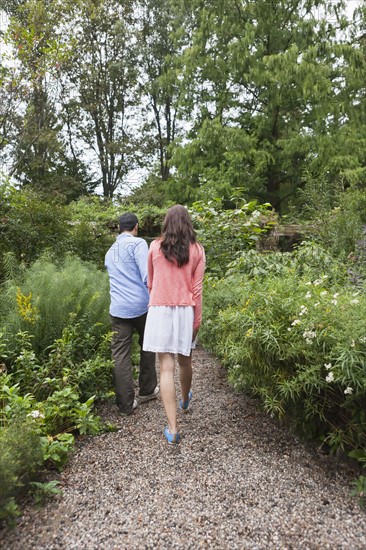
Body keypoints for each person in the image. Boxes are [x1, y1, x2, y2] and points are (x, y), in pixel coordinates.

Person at [143, 205, 206, 444]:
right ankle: (185, 399)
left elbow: (150, 282)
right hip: (184, 311)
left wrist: (159, 297)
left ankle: (172, 428)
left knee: (166, 367)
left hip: (160, 309)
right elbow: (197, 290)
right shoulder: (197, 250)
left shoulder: (155, 247)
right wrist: (196, 320)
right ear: (188, 223)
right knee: (186, 359)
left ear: (166, 223)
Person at [105, 212, 159, 415]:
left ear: (119, 228)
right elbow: (148, 276)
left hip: (118, 310)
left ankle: (126, 405)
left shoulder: (110, 250)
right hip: (141, 306)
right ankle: (146, 390)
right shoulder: (138, 244)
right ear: (136, 227)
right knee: (148, 344)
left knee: (120, 355)